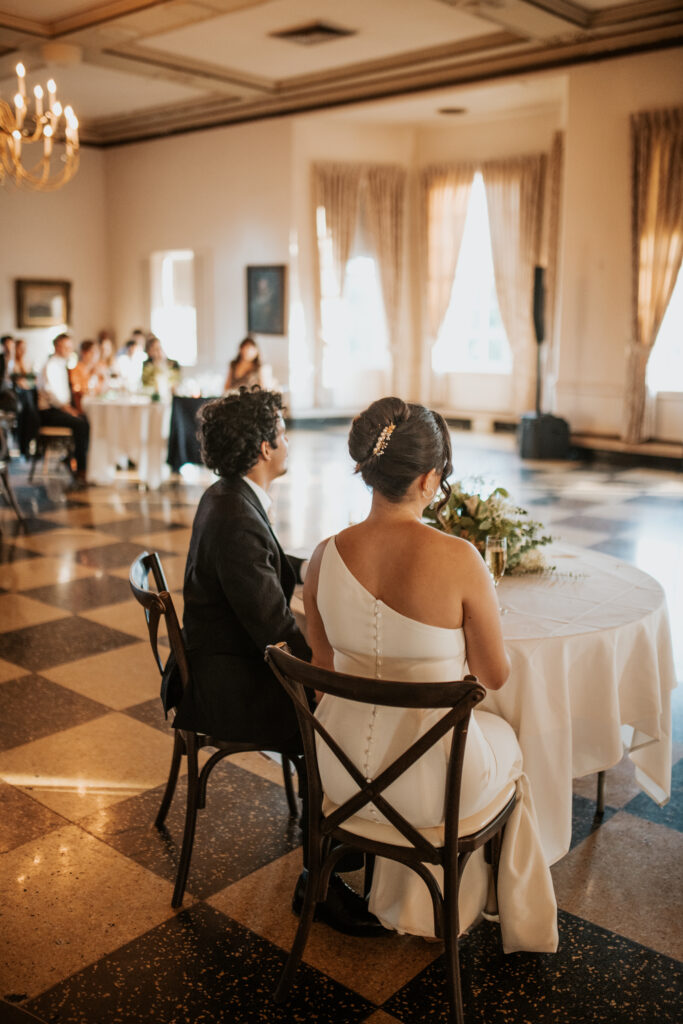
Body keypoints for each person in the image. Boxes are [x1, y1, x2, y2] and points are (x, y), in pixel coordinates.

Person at [303, 396, 558, 952]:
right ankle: (497, 908)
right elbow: (493, 676)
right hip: (430, 792)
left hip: (339, 780)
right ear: (430, 478)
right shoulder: (461, 559)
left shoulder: (322, 557)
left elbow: (323, 669)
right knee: (512, 744)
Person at [173, 387, 385, 937]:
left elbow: (265, 571)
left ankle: (342, 835)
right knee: (341, 717)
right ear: (264, 447)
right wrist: (324, 675)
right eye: (284, 433)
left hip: (218, 660)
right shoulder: (236, 517)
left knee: (339, 698)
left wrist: (324, 570)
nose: (289, 441)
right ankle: (321, 881)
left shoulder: (228, 495)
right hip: (225, 686)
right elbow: (273, 629)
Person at [37, 333, 90, 486]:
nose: (69, 350)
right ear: (57, 347)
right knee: (80, 424)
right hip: (49, 413)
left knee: (85, 420)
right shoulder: (50, 366)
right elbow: (52, 395)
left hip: (60, 409)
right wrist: (68, 409)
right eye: (66, 347)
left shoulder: (63, 365)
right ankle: (81, 469)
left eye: (70, 347)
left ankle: (72, 457)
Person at [69, 340, 102, 412]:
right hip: (83, 407)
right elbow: (78, 390)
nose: (95, 355)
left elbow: (100, 389)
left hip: (96, 402)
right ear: (83, 353)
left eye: (97, 352)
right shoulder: (76, 369)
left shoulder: (95, 369)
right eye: (92, 352)